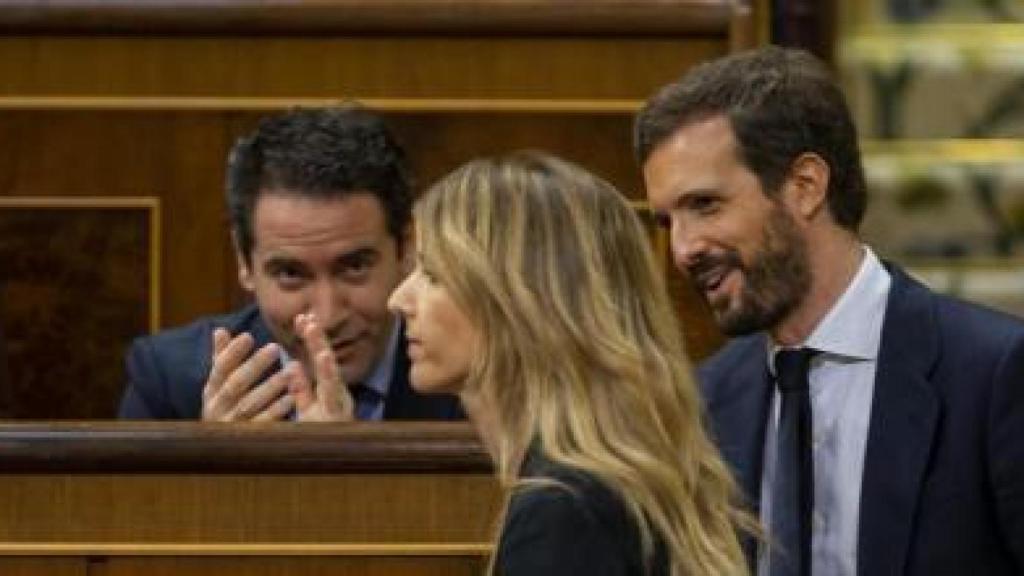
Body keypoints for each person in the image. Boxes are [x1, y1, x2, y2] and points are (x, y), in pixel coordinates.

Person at [635, 45, 1024, 576]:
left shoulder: (993, 373)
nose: (683, 250)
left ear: (805, 186)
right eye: (667, 222)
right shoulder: (706, 399)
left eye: (705, 205)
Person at [388, 151, 755, 575]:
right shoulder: (613, 486)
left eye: (433, 275)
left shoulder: (563, 512)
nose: (398, 300)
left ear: (520, 300)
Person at [119, 106, 461, 421]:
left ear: (406, 248)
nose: (326, 318)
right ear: (244, 261)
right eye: (290, 274)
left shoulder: (471, 373)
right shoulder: (169, 383)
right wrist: (213, 462)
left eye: (355, 267)